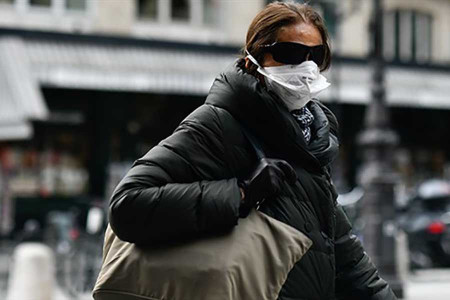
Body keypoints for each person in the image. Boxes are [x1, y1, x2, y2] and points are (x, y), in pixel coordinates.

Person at [108, 2, 397, 300]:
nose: (306, 66)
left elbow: (344, 255)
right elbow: (127, 205)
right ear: (254, 59)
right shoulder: (219, 123)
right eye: (291, 54)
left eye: (316, 55)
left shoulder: (308, 141)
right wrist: (241, 193)